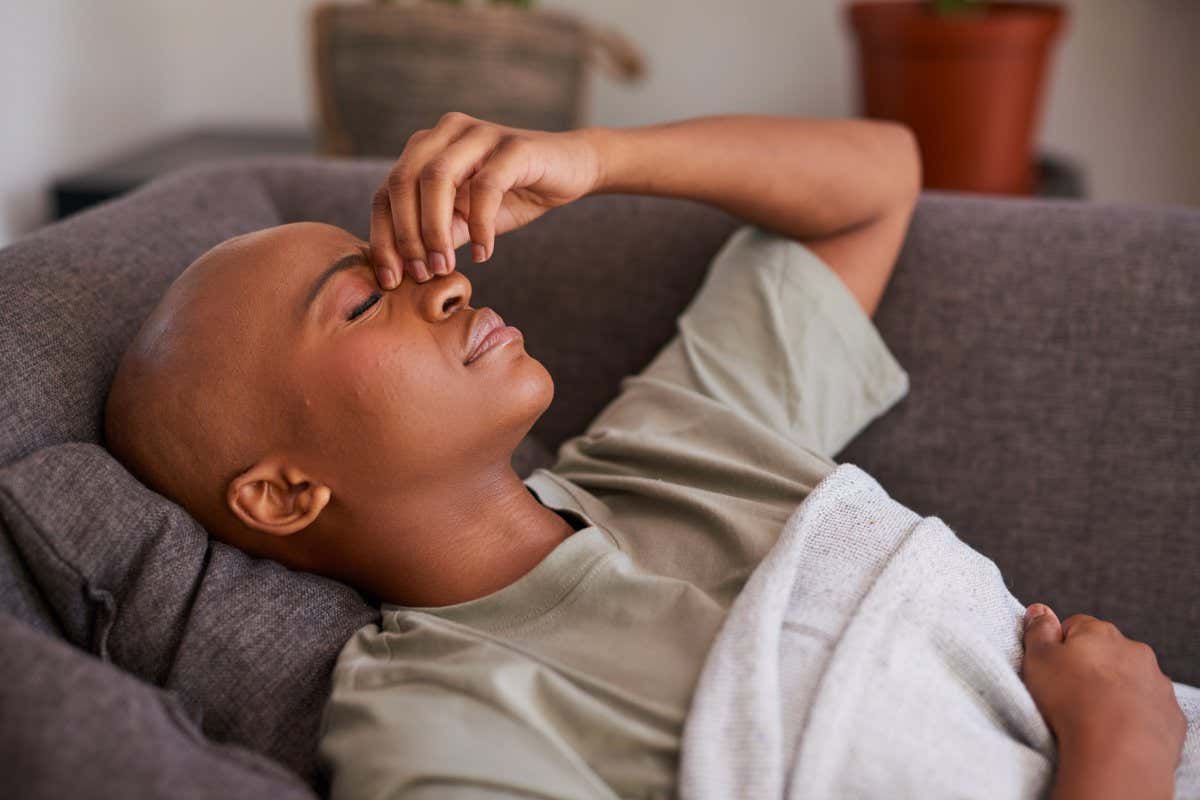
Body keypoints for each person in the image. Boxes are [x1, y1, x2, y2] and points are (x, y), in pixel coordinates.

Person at [103, 112, 1187, 799]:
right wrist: (1119, 748)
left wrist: (594, 157)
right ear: (284, 493)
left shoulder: (676, 440)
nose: (445, 281)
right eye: (358, 303)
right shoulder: (439, 721)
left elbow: (878, 179)